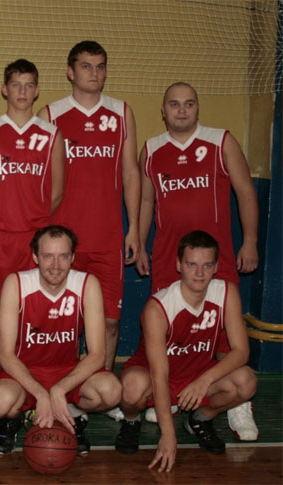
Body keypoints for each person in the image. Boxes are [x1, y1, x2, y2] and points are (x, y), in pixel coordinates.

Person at [136, 82, 259, 439]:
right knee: (172, 335)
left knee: (224, 338)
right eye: (174, 104)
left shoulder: (221, 141)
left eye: (188, 104)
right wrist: (140, 244)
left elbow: (245, 192)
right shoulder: (152, 150)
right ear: (163, 110)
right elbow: (146, 202)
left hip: (213, 259)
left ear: (198, 108)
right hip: (168, 259)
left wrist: (250, 241)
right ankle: (172, 398)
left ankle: (238, 406)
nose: (181, 110)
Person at [38, 41, 140, 393]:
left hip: (108, 238)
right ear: (70, 71)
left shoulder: (121, 113)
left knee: (109, 322)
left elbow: (131, 174)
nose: (94, 73)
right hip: (63, 243)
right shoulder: (50, 115)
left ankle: (101, 386)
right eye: (86, 66)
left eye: (100, 66)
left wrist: (134, 229)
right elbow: (39, 181)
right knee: (64, 322)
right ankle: (61, 388)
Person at [0, 60, 65, 430]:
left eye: (29, 85)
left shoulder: (51, 135)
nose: (23, 92)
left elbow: (56, 193)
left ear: (37, 90)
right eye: (16, 84)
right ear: (4, 88)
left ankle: (26, 394)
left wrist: (34, 222)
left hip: (34, 240)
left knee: (30, 318)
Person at [115, 230, 257, 472]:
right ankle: (131, 421)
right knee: (131, 389)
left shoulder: (227, 293)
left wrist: (204, 381)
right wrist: (168, 435)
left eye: (206, 265)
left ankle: (200, 419)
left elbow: (241, 352)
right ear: (179, 265)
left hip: (197, 376)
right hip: (155, 377)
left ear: (216, 267)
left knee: (246, 382)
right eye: (192, 265)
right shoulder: (158, 307)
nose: (199, 273)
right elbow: (159, 375)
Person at [0, 225, 120, 455]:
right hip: (23, 373)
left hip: (67, 372)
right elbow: (5, 355)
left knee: (112, 391)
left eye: (63, 256)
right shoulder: (16, 284)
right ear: (35, 257)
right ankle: (14, 418)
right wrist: (41, 393)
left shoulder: (87, 284)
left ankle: (71, 412)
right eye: (48, 256)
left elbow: (98, 354)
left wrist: (59, 390)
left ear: (73, 257)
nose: (56, 265)